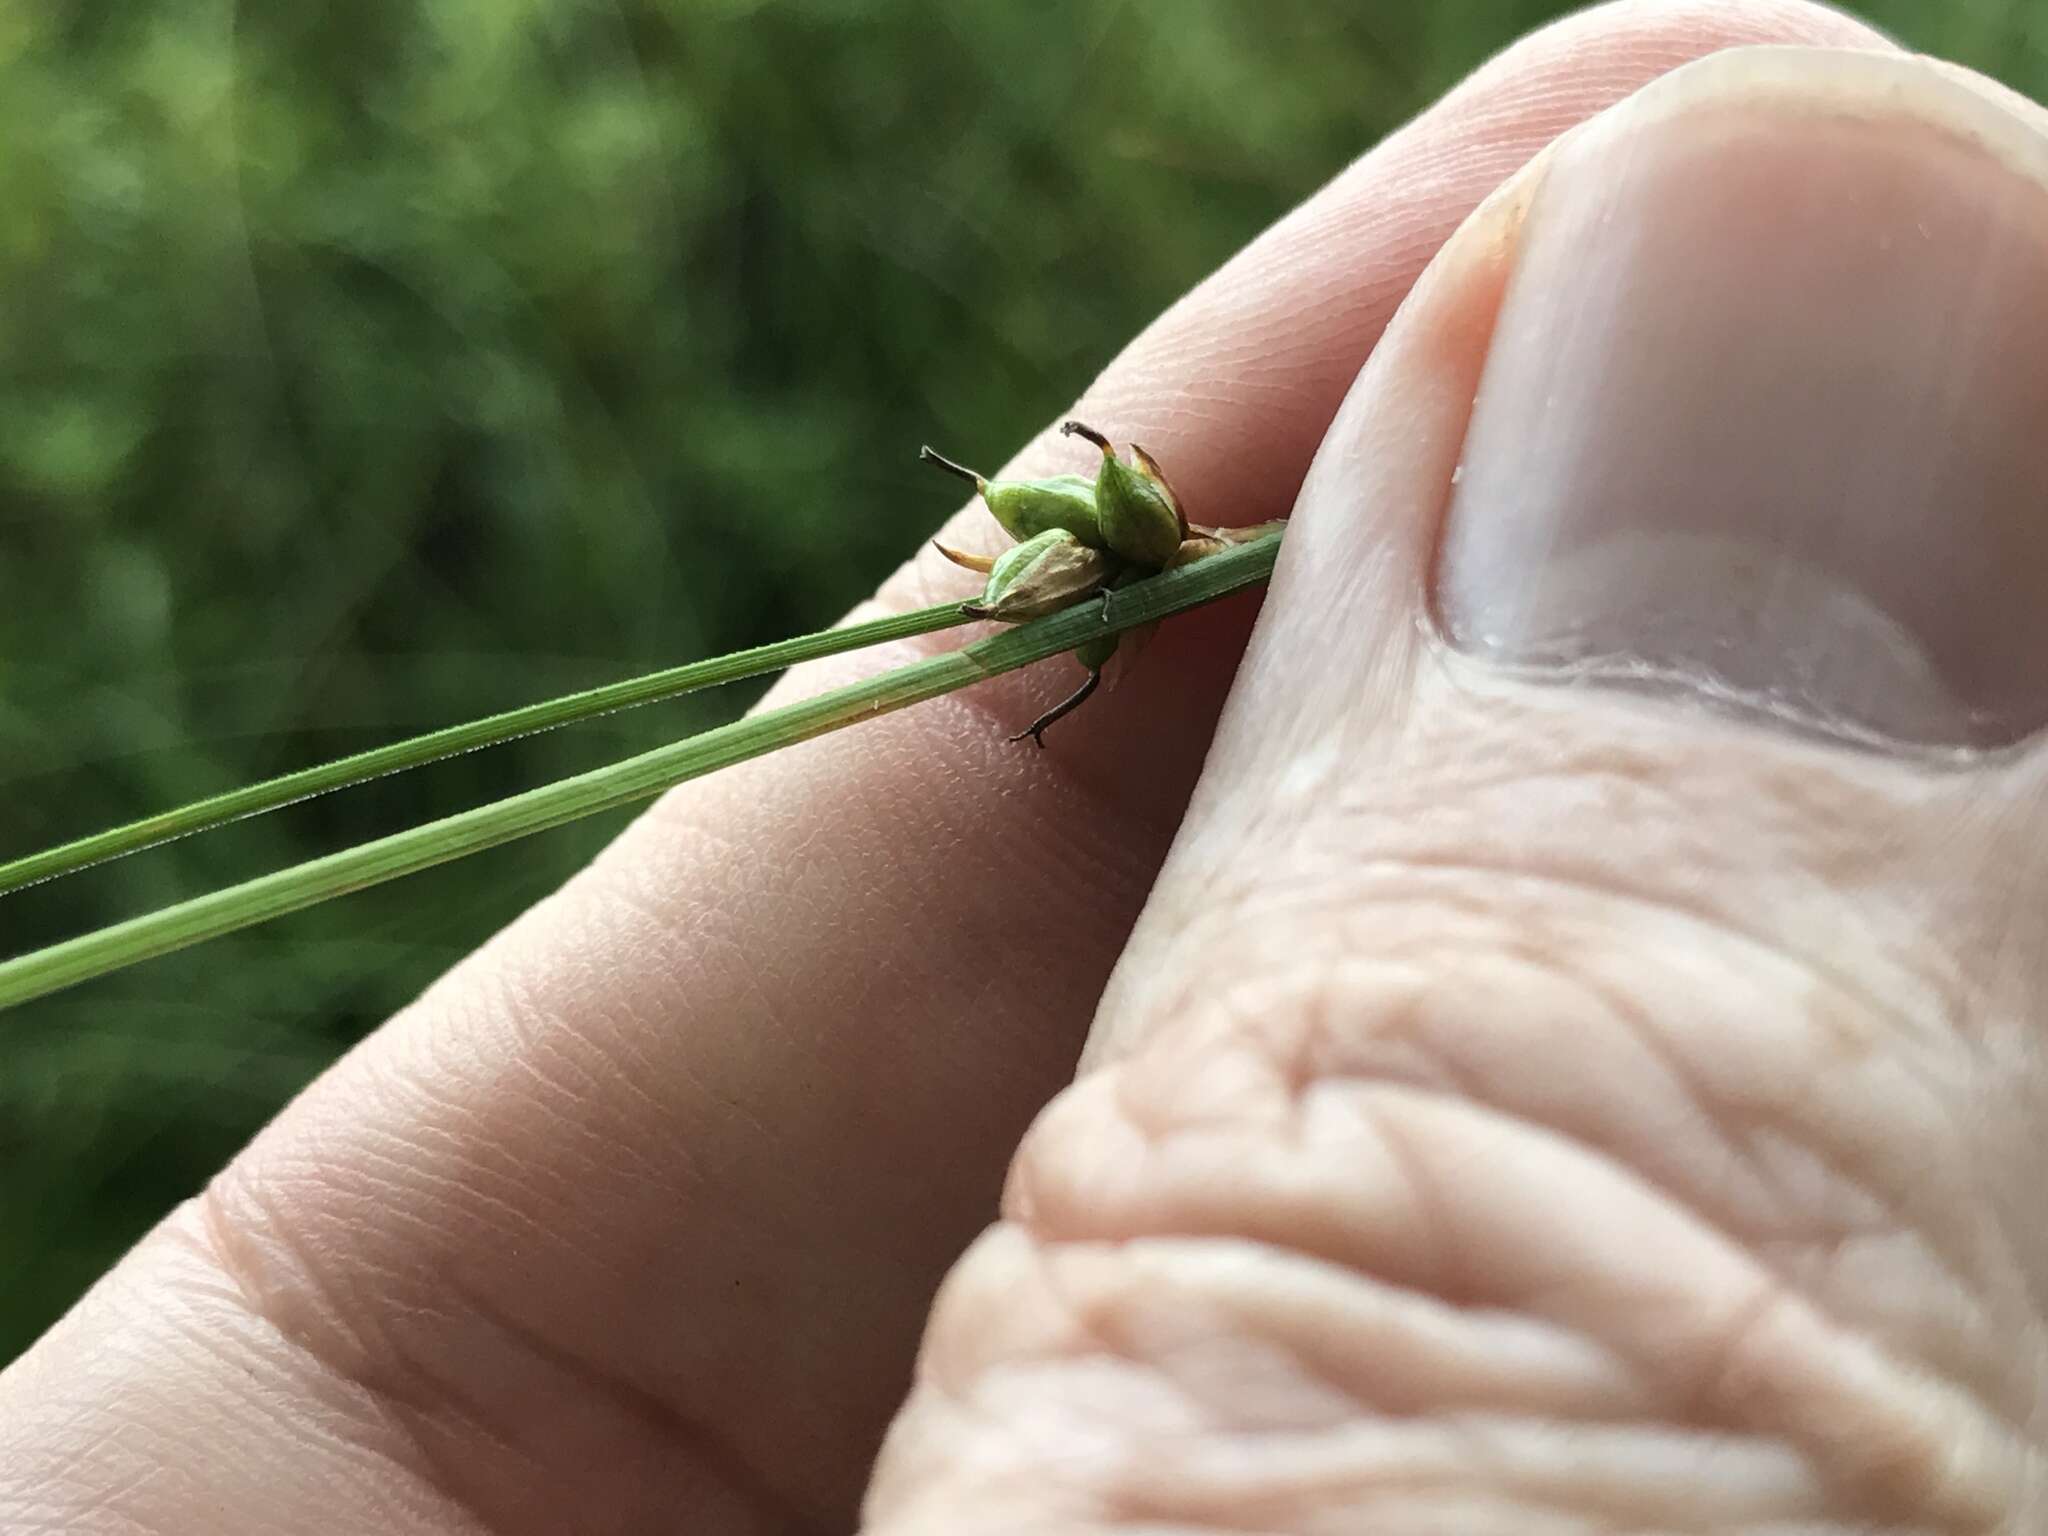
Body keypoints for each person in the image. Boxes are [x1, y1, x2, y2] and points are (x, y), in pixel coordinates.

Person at [8, 2, 2048, 1529]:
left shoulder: (1095, 552)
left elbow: (1095, 529)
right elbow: (1068, 542)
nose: (1018, 529)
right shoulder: (1061, 567)